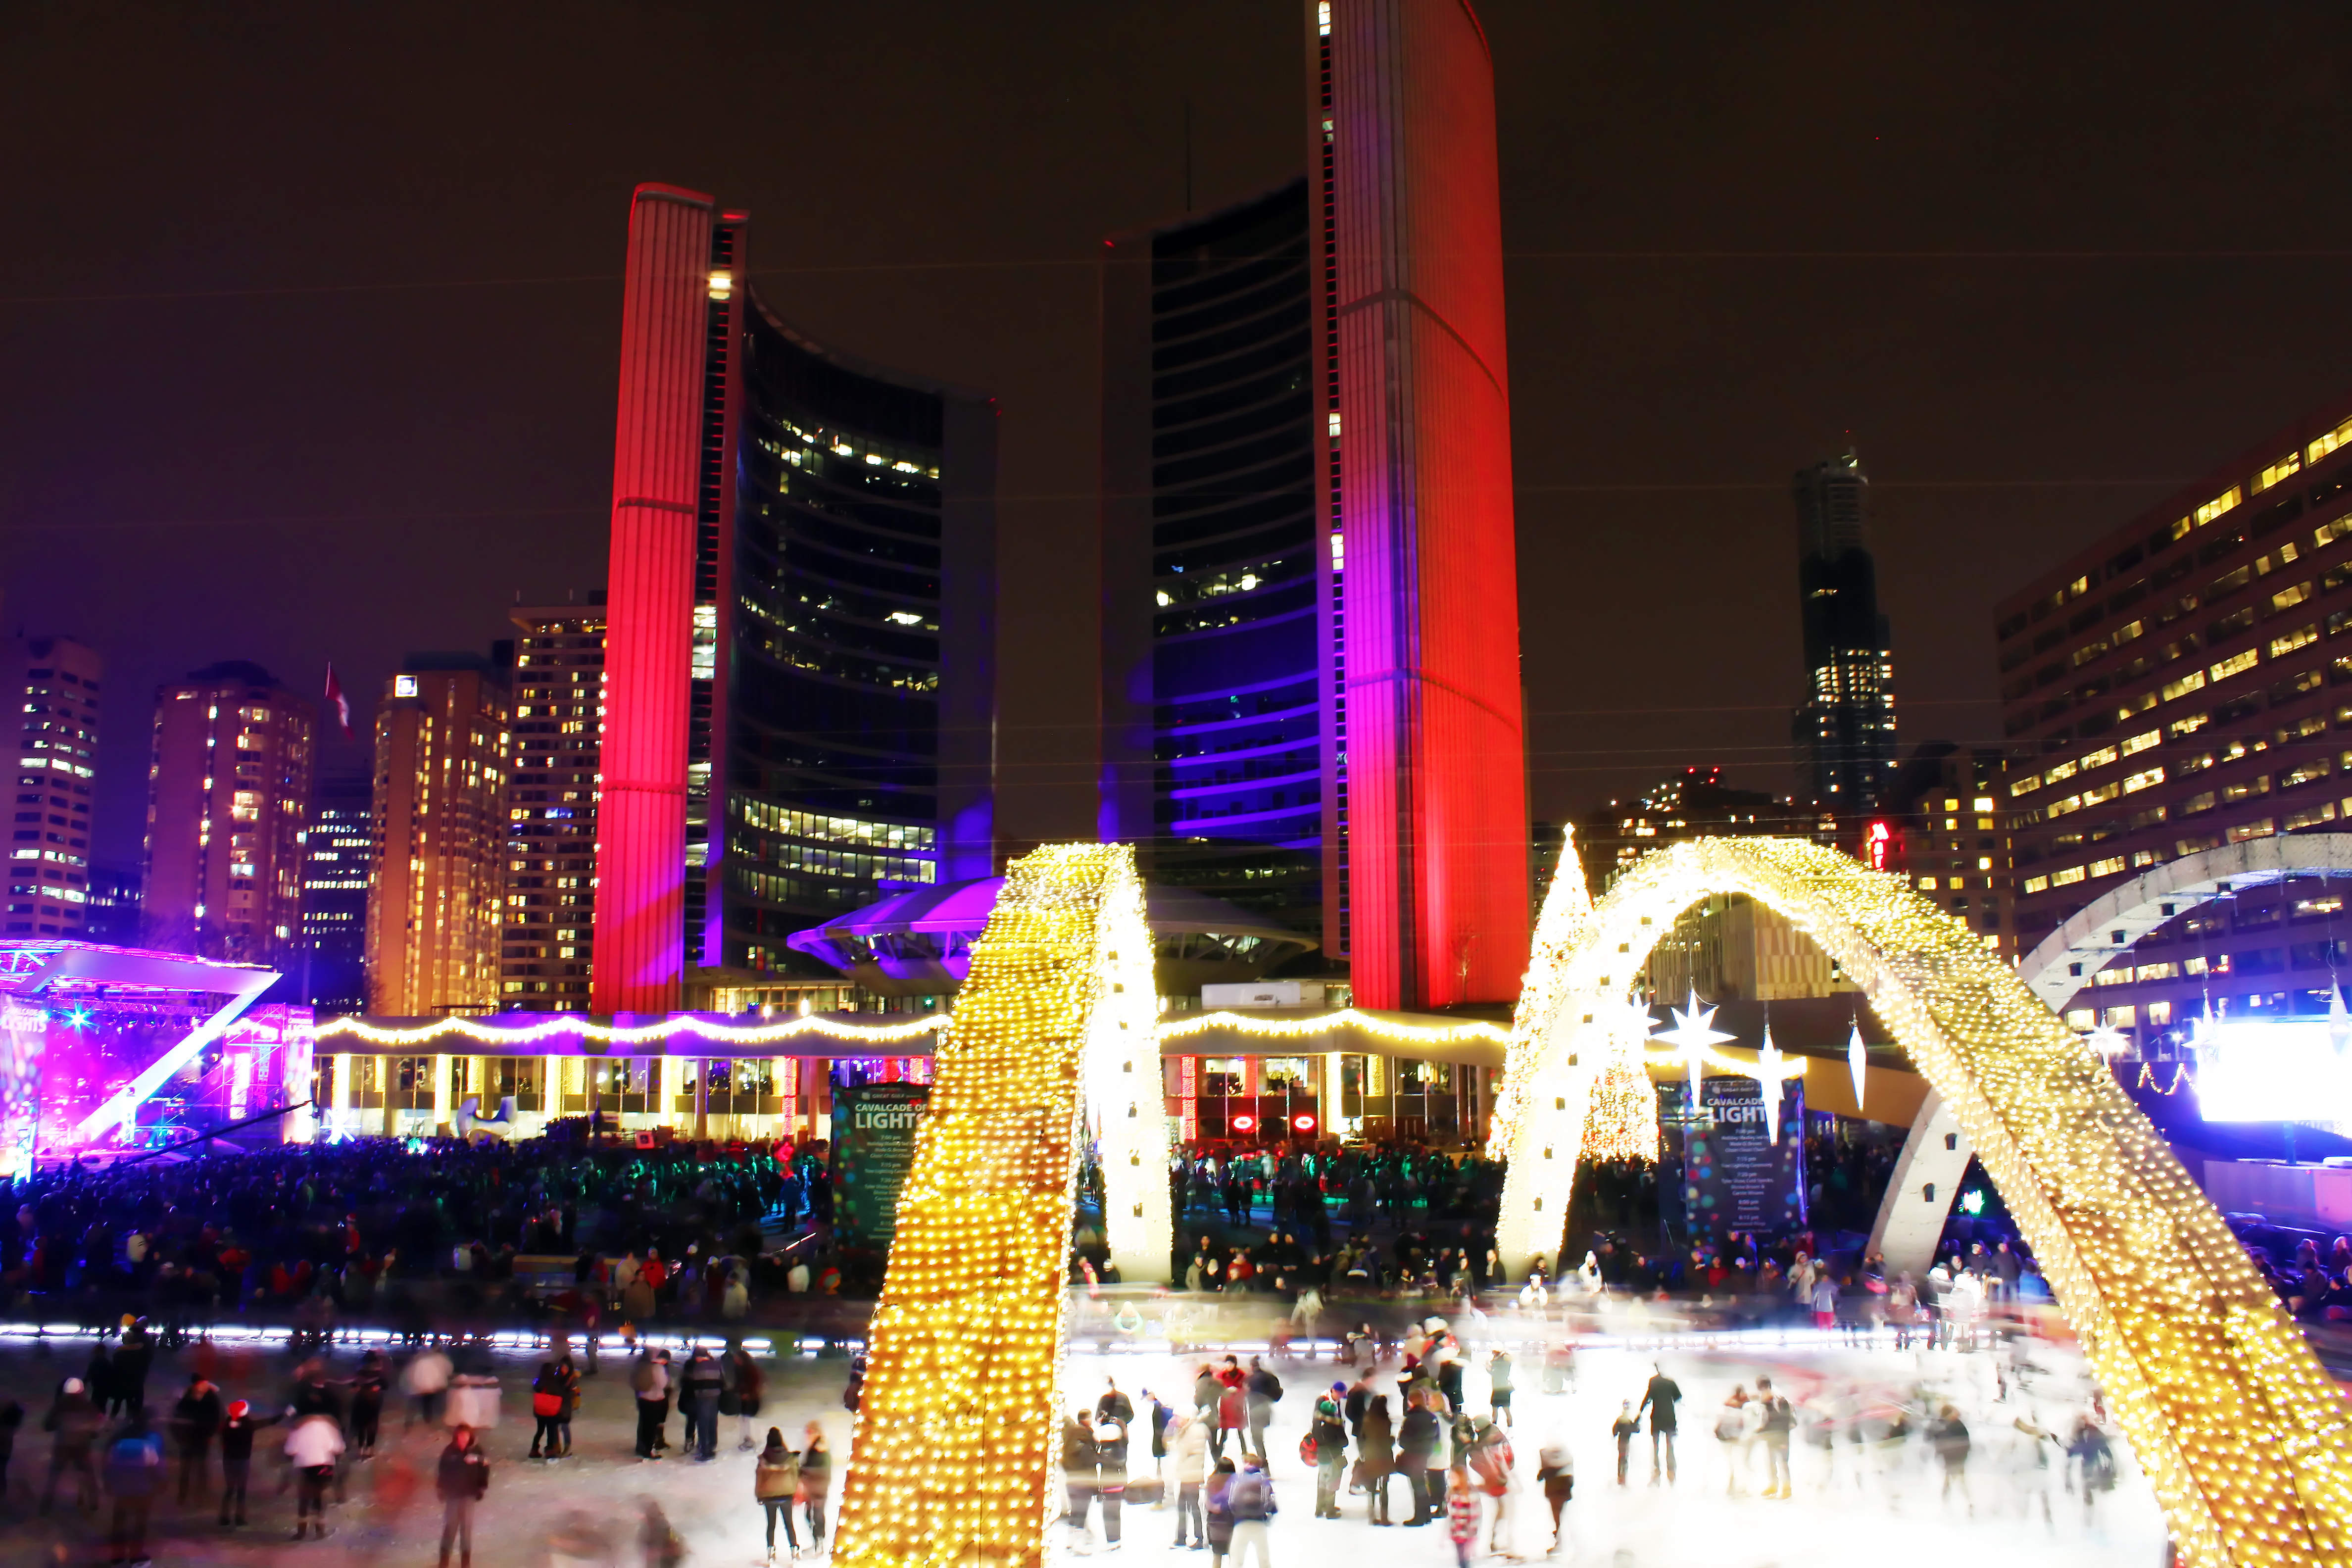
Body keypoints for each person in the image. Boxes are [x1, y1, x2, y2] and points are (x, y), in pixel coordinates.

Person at [103, 1406, 164, 1566]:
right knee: (140, 1523)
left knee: (120, 1521)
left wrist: (108, 1483)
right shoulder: (150, 1442)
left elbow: (108, 1464)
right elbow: (156, 1468)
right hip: (143, 1490)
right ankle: (136, 1557)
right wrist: (161, 1484)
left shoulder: (118, 1441)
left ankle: (117, 1557)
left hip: (121, 1489)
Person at [42, 1377, 101, 1516]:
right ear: (81, 1391)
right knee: (89, 1474)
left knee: (54, 1476)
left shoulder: (60, 1406)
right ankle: (94, 1504)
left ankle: (46, 1505)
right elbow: (95, 1430)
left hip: (63, 1446)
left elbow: (47, 1426)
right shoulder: (89, 1406)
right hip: (82, 1447)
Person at [215, 1398, 278, 1527]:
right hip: (243, 1460)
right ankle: (239, 1518)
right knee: (241, 1490)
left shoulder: (225, 1425)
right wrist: (286, 1414)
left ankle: (224, 1518)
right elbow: (269, 1422)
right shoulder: (249, 1425)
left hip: (228, 1460)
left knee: (230, 1489)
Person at [435, 1424, 490, 1568]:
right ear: (456, 1437)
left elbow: (485, 1468)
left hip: (469, 1495)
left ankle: (465, 1563)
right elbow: (443, 1471)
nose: (463, 1440)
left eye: (466, 1436)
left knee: (466, 1530)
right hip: (453, 1495)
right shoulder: (449, 1451)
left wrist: (481, 1487)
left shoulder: (477, 1451)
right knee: (450, 1528)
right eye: (460, 1437)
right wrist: (441, 1489)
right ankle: (444, 1562)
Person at [285, 1409, 345, 1541]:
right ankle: (320, 1529)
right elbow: (338, 1448)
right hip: (324, 1466)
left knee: (304, 1498)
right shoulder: (330, 1427)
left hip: (304, 1466)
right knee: (319, 1497)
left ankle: (301, 1531)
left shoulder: (298, 1428)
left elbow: (290, 1450)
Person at [168, 1372, 222, 1505]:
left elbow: (217, 1418)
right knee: (187, 1468)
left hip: (202, 1438)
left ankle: (200, 1496)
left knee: (201, 1468)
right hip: (188, 1439)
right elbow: (177, 1419)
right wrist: (180, 1436)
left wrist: (210, 1434)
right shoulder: (187, 1398)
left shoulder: (211, 1398)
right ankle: (183, 1496)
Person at [756, 1425, 802, 1563]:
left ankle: (771, 1553)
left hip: (769, 1496)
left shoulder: (763, 1460)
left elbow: (759, 1479)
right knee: (789, 1524)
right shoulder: (791, 1459)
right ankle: (794, 1552)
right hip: (787, 1495)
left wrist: (759, 1495)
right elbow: (796, 1477)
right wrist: (793, 1492)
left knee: (771, 1525)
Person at [1226, 1453, 1275, 1568]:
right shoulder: (1264, 1479)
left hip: (1241, 1523)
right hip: (1259, 1523)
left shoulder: (1237, 1479)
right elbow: (1271, 1502)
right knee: (1264, 1559)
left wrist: (1234, 1515)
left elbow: (1230, 1501)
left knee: (1236, 1560)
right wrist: (1268, 1516)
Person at [1398, 1389, 1440, 1524]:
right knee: (1422, 1485)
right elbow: (1437, 1438)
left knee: (1418, 1487)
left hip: (1413, 1457)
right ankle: (1426, 1515)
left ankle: (1420, 1517)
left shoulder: (1411, 1419)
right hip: (1425, 1455)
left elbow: (1403, 1441)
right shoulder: (1432, 1418)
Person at [1636, 1364, 1681, 1484]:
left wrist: (1640, 1412)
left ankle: (1657, 1469)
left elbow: (1648, 1398)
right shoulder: (1671, 1383)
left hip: (1657, 1417)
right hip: (1669, 1417)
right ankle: (1671, 1468)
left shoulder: (1653, 1382)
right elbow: (1678, 1397)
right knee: (1669, 1444)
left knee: (1656, 1444)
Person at [1358, 1392, 1396, 1525]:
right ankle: (1385, 1517)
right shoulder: (1385, 1420)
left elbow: (1362, 1438)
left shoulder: (1366, 1419)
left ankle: (1372, 1516)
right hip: (1385, 1456)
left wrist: (1362, 1452)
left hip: (1371, 1456)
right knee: (1384, 1487)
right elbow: (1387, 1439)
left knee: (1372, 1488)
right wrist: (1392, 1440)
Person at [1173, 1411, 1210, 1548]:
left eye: (1177, 1417)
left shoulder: (1194, 1431)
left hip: (1191, 1475)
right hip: (1187, 1474)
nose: (1176, 1420)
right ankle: (1181, 1537)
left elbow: (1183, 1450)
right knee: (1182, 1507)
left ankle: (1199, 1538)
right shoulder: (1187, 1430)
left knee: (1193, 1508)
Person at [682, 1346, 724, 1462]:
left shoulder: (697, 1367)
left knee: (703, 1424)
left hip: (702, 1398)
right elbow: (723, 1380)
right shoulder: (717, 1364)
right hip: (715, 1397)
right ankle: (712, 1444)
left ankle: (705, 1451)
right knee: (712, 1421)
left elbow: (690, 1383)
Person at [1929, 1403, 1972, 1515]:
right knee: (1955, 1480)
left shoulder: (1956, 1425)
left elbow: (1966, 1442)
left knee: (1955, 1480)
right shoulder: (1942, 1425)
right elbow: (1934, 1439)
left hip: (1957, 1458)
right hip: (1950, 1459)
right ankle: (1963, 1503)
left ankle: (1956, 1503)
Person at [1754, 1376, 1793, 1499]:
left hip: (1781, 1436)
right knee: (1771, 1462)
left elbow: (1784, 1420)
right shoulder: (1766, 1400)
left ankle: (1786, 1488)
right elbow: (1766, 1420)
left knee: (1782, 1462)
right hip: (1772, 1436)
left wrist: (1783, 1439)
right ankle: (1773, 1485)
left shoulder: (1780, 1400)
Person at [798, 1421, 832, 1556]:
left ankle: (819, 1545)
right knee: (810, 1516)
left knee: (816, 1516)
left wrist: (802, 1473)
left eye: (810, 1433)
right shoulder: (813, 1448)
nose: (807, 1436)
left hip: (818, 1490)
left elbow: (818, 1471)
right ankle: (817, 1543)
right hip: (812, 1489)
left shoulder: (820, 1449)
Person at [1096, 1412, 1130, 1549]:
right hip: (1118, 1484)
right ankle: (1115, 1539)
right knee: (1115, 1512)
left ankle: (1112, 1540)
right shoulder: (1121, 1446)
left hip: (1110, 1485)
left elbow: (1099, 1460)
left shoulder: (1106, 1450)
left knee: (1109, 1513)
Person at [726, 1338, 766, 1452]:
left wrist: (748, 1394)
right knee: (744, 1419)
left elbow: (756, 1383)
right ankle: (747, 1439)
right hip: (744, 1399)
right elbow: (738, 1384)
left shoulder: (751, 1369)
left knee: (748, 1419)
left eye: (737, 1358)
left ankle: (751, 1440)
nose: (735, 1360)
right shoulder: (739, 1369)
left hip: (751, 1399)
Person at [1535, 1443, 1573, 1556]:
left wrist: (1541, 1476)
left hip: (1554, 1491)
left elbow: (1542, 1475)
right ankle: (1563, 1539)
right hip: (1564, 1488)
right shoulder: (1566, 1458)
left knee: (1557, 1516)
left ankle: (1560, 1540)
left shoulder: (1547, 1457)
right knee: (1561, 1515)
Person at [632, 1347, 670, 1460]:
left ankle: (641, 1447)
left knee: (644, 1424)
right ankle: (648, 1450)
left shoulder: (643, 1365)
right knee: (651, 1426)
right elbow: (662, 1384)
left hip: (642, 1398)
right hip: (654, 1399)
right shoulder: (658, 1368)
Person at [349, 1350, 388, 1457]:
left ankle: (361, 1447)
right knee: (372, 1423)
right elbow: (385, 1385)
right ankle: (370, 1448)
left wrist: (356, 1388)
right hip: (374, 1401)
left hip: (361, 1400)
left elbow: (354, 1385)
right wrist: (378, 1387)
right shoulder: (379, 1373)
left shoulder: (360, 1371)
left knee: (362, 1424)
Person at [1443, 1465, 1481, 1568]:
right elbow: (1452, 1515)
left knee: (1465, 1560)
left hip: (1467, 1533)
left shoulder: (1470, 1494)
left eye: (1454, 1478)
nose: (1452, 1480)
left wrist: (1472, 1533)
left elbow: (1475, 1515)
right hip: (1457, 1533)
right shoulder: (1453, 1494)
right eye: (1450, 1478)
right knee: (1461, 1559)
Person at [1204, 1457, 1236, 1568]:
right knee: (1234, 1555)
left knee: (1217, 1556)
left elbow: (1208, 1504)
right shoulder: (1237, 1481)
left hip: (1215, 1523)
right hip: (1232, 1522)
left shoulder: (1212, 1481)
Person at [530, 1361, 565, 1460]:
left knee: (540, 1431)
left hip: (540, 1411)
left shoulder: (538, 1382)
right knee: (551, 1431)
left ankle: (534, 1449)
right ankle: (550, 1451)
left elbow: (535, 1389)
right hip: (551, 1412)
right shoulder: (554, 1382)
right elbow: (560, 1393)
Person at [1610, 1402, 1639, 1487]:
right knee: (1625, 1459)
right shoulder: (1629, 1421)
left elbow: (1615, 1430)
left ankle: (1620, 1477)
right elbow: (1636, 1430)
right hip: (1626, 1443)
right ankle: (1623, 1478)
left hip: (1621, 1442)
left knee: (1621, 1459)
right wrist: (1637, 1423)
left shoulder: (1620, 1420)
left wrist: (1614, 1435)